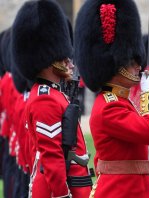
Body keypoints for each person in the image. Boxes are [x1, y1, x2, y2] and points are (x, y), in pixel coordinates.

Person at [74, 0, 149, 197]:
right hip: (118, 191)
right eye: (132, 63)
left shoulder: (120, 101)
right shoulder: (109, 106)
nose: (137, 68)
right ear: (116, 65)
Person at [11, 0, 92, 197]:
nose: (70, 63)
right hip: (55, 191)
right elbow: (53, 157)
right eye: (64, 59)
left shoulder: (55, 94)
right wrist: (62, 194)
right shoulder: (44, 99)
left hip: (72, 183)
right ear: (48, 60)